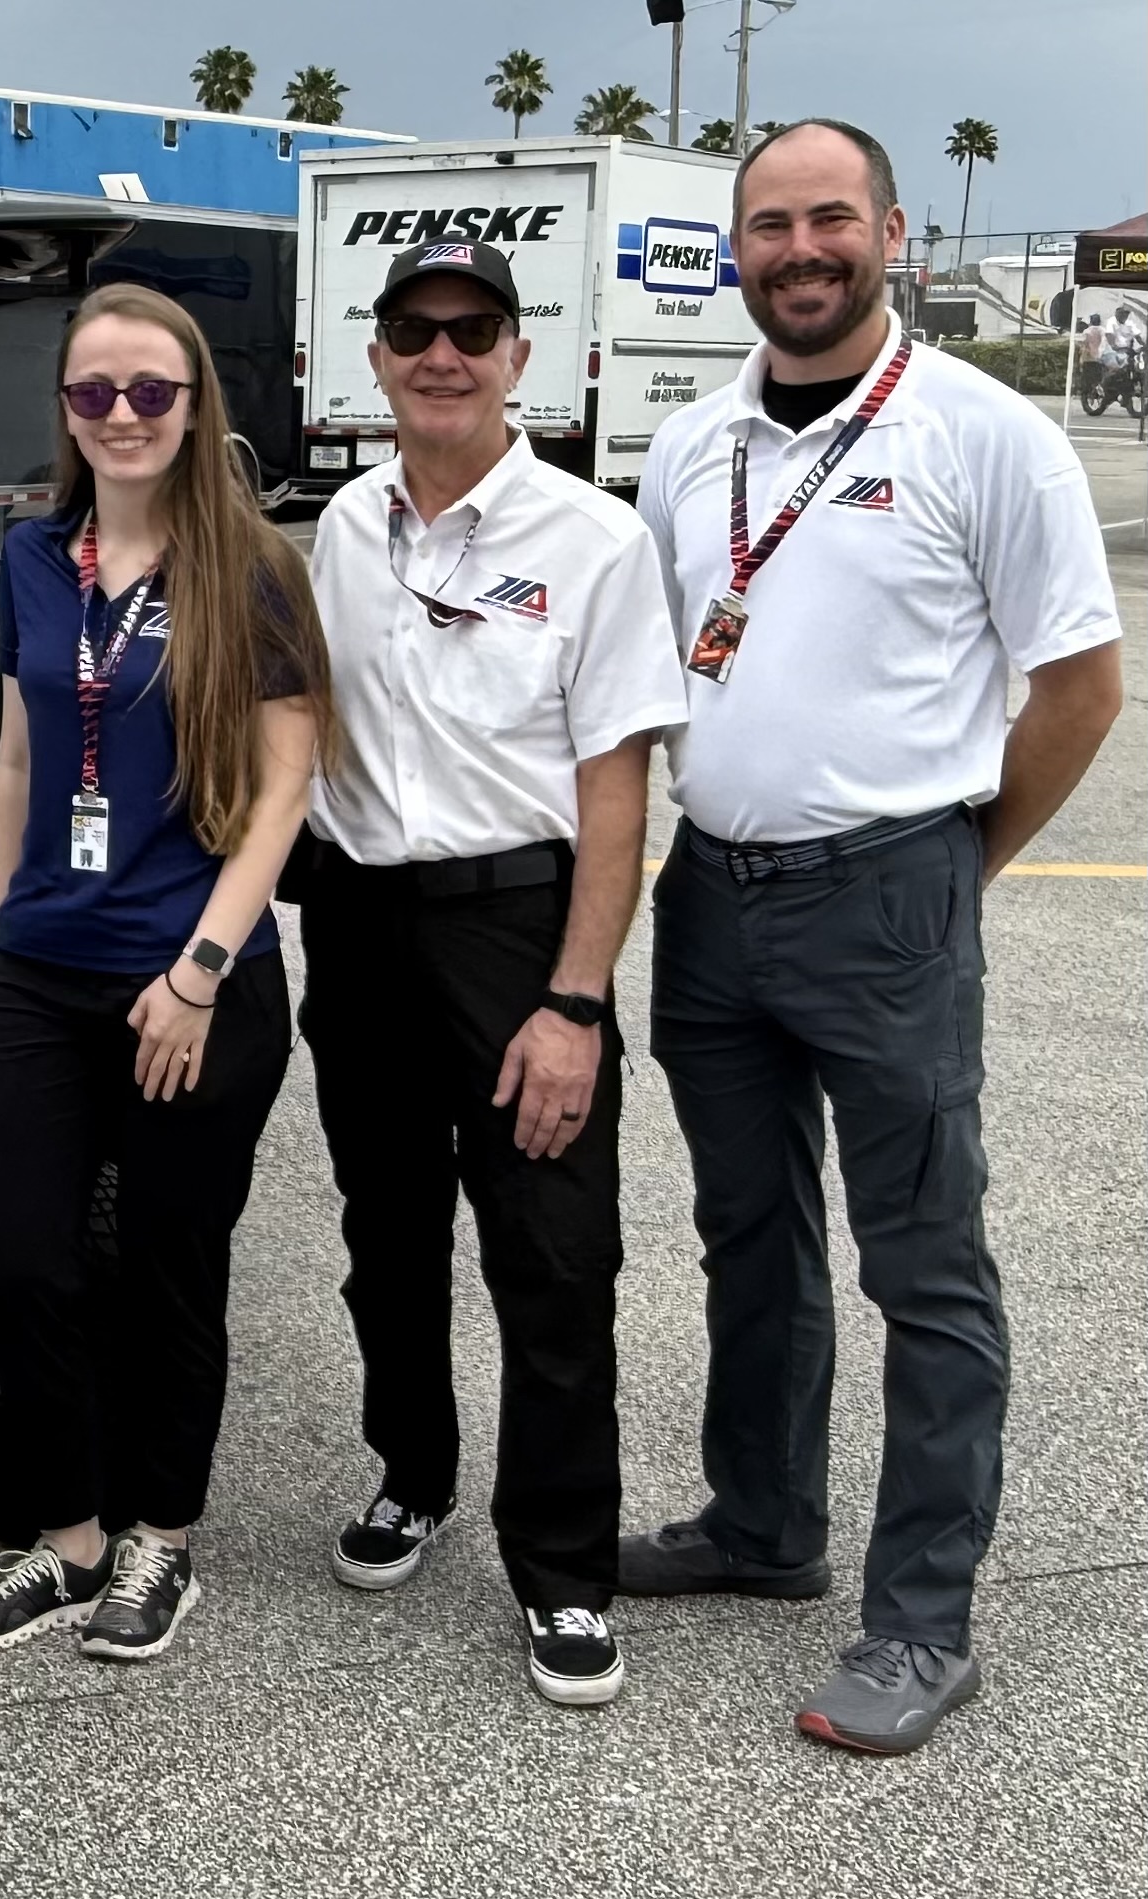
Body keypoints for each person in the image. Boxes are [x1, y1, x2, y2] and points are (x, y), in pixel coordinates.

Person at [633, 120, 1122, 1754]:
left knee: (921, 1263)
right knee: (744, 1235)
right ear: (735, 252)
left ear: (890, 235)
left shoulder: (983, 436)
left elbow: (1075, 687)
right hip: (710, 894)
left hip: (886, 891)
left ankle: (919, 1619)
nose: (797, 247)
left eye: (826, 217)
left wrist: (951, 864)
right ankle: (761, 1522)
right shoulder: (686, 445)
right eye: (766, 223)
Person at [293, 239, 686, 1708]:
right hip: (358, 921)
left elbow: (616, 794)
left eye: (473, 330)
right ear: (378, 357)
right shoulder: (342, 522)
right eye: (414, 331)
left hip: (516, 929)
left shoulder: (593, 538)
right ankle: (414, 1470)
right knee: (384, 1228)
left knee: (552, 1245)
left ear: (519, 357)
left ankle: (566, 1565)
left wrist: (575, 999)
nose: (442, 355)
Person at [0, 283, 329, 1663]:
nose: (121, 414)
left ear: (194, 401)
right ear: (65, 409)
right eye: (93, 391)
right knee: (13, 1257)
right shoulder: (36, 556)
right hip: (45, 963)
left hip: (190, 976)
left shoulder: (256, 569)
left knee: (168, 1266)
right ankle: (68, 1537)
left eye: (150, 390)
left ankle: (161, 1537)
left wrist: (203, 970)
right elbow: (27, 754)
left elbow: (285, 790)